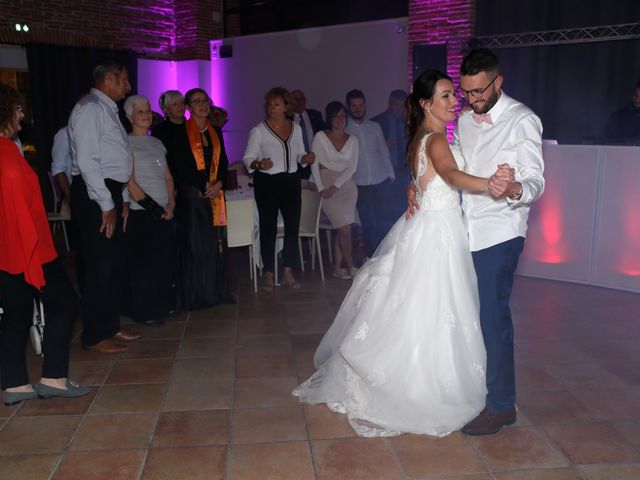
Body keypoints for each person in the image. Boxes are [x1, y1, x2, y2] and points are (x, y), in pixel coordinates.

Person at [294, 70, 515, 437]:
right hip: (438, 230)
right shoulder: (436, 140)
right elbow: (451, 175)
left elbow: (423, 176)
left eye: (452, 95)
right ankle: (418, 386)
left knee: (424, 306)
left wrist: (414, 188)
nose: (453, 101)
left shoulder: (423, 136)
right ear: (426, 103)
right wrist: (490, 185)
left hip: (431, 223)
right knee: (434, 306)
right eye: (445, 96)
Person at [408, 48, 545, 435]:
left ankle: (501, 406)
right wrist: (416, 183)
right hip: (460, 230)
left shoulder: (523, 120)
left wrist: (515, 187)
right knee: (465, 317)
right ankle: (472, 389)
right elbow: (450, 164)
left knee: (492, 317)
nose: (472, 100)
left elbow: (536, 181)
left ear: (498, 82)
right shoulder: (465, 120)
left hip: (500, 232)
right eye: (466, 93)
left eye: (479, 92)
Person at [0, 83, 89, 405]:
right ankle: (53, 378)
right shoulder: (7, 154)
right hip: (28, 249)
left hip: (7, 250)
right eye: (17, 108)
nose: (22, 115)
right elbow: (17, 211)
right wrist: (32, 266)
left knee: (15, 313)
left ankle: (14, 384)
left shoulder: (7, 149)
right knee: (64, 304)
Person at [68, 57, 142, 354]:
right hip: (93, 193)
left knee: (113, 264)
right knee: (100, 265)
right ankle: (95, 334)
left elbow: (116, 159)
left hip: (110, 191)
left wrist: (121, 199)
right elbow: (88, 162)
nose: (128, 86)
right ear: (109, 79)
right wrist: (106, 203)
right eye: (124, 80)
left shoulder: (106, 109)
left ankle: (110, 326)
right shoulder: (89, 109)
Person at [159, 87, 233, 310]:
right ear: (189, 108)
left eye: (205, 100)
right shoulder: (180, 132)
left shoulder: (215, 130)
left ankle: (217, 291)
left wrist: (219, 183)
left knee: (215, 242)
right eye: (196, 101)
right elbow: (182, 166)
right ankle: (198, 295)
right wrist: (204, 185)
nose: (202, 105)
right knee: (196, 245)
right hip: (192, 195)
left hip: (215, 193)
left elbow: (224, 162)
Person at [242, 87, 316, 291]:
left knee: (292, 228)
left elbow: (299, 155)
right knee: (268, 228)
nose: (271, 108)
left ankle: (288, 270)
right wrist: (258, 164)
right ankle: (268, 271)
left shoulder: (296, 129)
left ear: (286, 106)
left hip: (291, 182)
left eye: (276, 104)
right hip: (267, 183)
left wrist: (305, 158)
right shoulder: (258, 130)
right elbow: (248, 158)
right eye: (269, 104)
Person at [123, 95, 176, 326]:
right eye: (140, 111)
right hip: (143, 213)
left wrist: (171, 205)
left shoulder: (156, 143)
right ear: (128, 116)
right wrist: (156, 210)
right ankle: (145, 311)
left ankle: (162, 305)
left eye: (147, 110)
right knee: (144, 264)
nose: (145, 115)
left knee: (163, 261)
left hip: (165, 211)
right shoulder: (125, 144)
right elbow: (131, 183)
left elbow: (167, 177)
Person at [310, 101, 359, 280]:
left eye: (342, 116)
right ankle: (351, 265)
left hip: (346, 186)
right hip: (325, 183)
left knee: (344, 229)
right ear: (329, 118)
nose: (339, 119)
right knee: (344, 229)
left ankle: (338, 267)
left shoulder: (353, 140)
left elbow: (352, 167)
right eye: (335, 116)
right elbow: (314, 164)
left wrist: (336, 186)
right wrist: (322, 188)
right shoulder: (320, 137)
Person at [344, 89, 395, 258]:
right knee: (368, 223)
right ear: (348, 107)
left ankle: (384, 256)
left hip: (381, 180)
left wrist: (391, 174)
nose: (358, 109)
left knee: (384, 220)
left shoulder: (374, 126)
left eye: (361, 105)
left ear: (365, 105)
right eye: (354, 106)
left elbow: (383, 151)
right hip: (359, 183)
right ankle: (372, 257)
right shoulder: (345, 130)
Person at [372, 89, 410, 217]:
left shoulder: (411, 122)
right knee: (384, 211)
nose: (399, 108)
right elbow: (368, 152)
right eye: (396, 104)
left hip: (406, 172)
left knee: (404, 209)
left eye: (402, 105)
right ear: (389, 104)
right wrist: (382, 146)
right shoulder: (376, 122)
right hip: (385, 173)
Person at [291, 89, 324, 179]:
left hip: (315, 161)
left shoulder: (315, 115)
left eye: (301, 99)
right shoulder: (286, 119)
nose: (298, 102)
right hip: (296, 164)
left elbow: (324, 136)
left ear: (305, 100)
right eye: (295, 99)